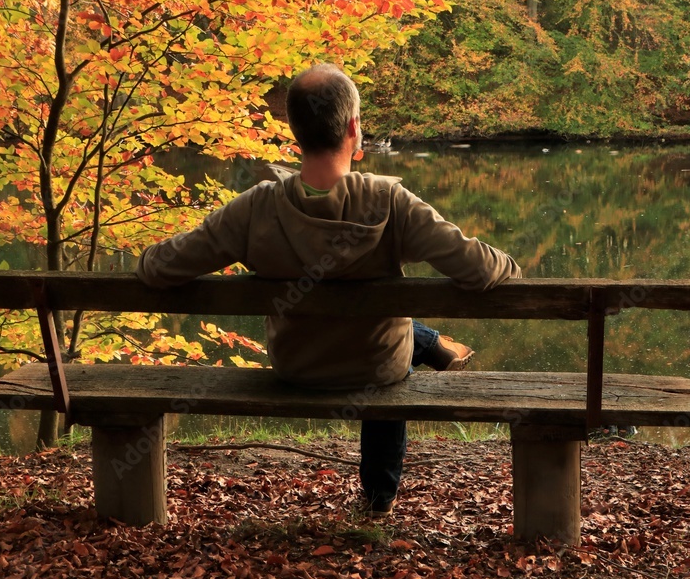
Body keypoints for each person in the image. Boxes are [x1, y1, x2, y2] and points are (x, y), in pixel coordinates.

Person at [137, 63, 521, 515]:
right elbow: (482, 269)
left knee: (385, 329)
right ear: (355, 128)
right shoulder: (390, 202)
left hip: (297, 364)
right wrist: (509, 264)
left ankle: (431, 344)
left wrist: (144, 256)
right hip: (374, 367)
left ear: (294, 132)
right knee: (389, 354)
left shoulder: (256, 207)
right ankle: (379, 500)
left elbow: (161, 268)